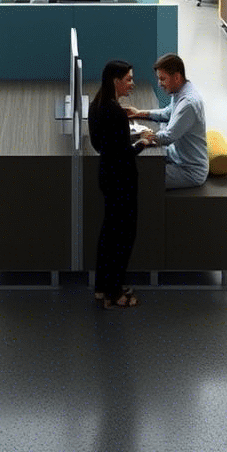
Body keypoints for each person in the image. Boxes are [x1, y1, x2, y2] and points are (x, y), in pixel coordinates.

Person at [88, 59, 148, 309]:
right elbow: (123, 153)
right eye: (129, 79)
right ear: (116, 81)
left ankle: (104, 287)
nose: (132, 84)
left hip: (106, 176)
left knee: (108, 233)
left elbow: (100, 145)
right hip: (122, 180)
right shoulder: (114, 113)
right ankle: (116, 295)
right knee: (123, 236)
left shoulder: (96, 105)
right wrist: (142, 143)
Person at [124, 53, 208, 189]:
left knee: (139, 177)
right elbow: (167, 113)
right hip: (176, 155)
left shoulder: (188, 103)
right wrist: (140, 113)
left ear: (176, 77)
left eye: (162, 79)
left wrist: (141, 137)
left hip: (189, 170)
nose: (159, 84)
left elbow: (169, 136)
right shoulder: (181, 91)